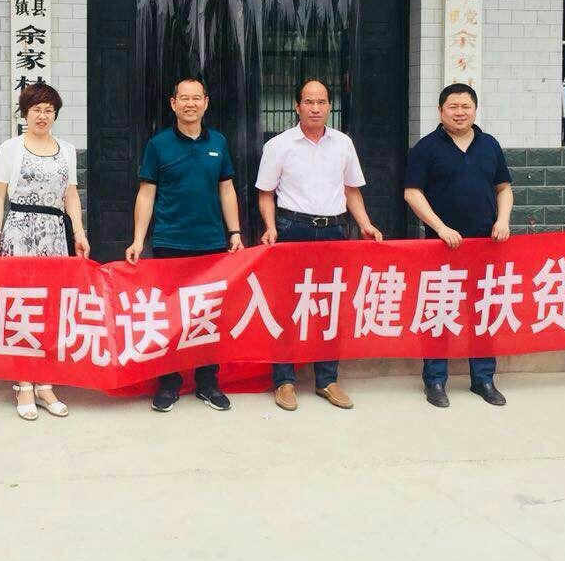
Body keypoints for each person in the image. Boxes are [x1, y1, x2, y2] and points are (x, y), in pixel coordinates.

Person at [256, 78, 383, 412]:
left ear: (330, 106)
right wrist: (270, 227)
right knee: (286, 306)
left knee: (330, 305)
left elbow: (351, 190)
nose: (315, 108)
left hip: (334, 231)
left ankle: (327, 379)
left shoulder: (343, 143)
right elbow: (265, 193)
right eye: (309, 102)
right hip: (292, 229)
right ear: (297, 106)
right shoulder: (279, 145)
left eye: (322, 102)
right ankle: (284, 380)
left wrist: (365, 224)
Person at [125, 76, 243, 414]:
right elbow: (146, 193)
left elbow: (226, 189)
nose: (190, 104)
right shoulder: (159, 145)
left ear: (205, 102)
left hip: (211, 242)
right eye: (184, 98)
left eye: (196, 98)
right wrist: (138, 240)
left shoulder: (218, 142)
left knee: (208, 314)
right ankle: (169, 382)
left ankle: (207, 382)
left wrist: (234, 232)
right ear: (173, 103)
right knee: (170, 314)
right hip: (170, 242)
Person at [0, 82, 90, 420]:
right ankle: (23, 382)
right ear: (25, 114)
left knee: (50, 308)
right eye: (36, 110)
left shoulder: (67, 150)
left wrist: (79, 232)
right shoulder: (10, 148)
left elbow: (70, 195)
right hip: (18, 232)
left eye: (48, 110)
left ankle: (44, 382)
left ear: (55, 114)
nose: (42, 116)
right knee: (20, 306)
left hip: (54, 235)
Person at [403, 83, 513, 409]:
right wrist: (440, 228)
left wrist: (503, 220)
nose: (460, 112)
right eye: (453, 107)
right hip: (442, 247)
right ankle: (435, 380)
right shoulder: (426, 148)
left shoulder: (489, 145)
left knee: (483, 312)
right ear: (440, 111)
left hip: (485, 245)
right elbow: (412, 192)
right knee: (439, 312)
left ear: (475, 110)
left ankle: (483, 378)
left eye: (466, 106)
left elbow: (504, 188)